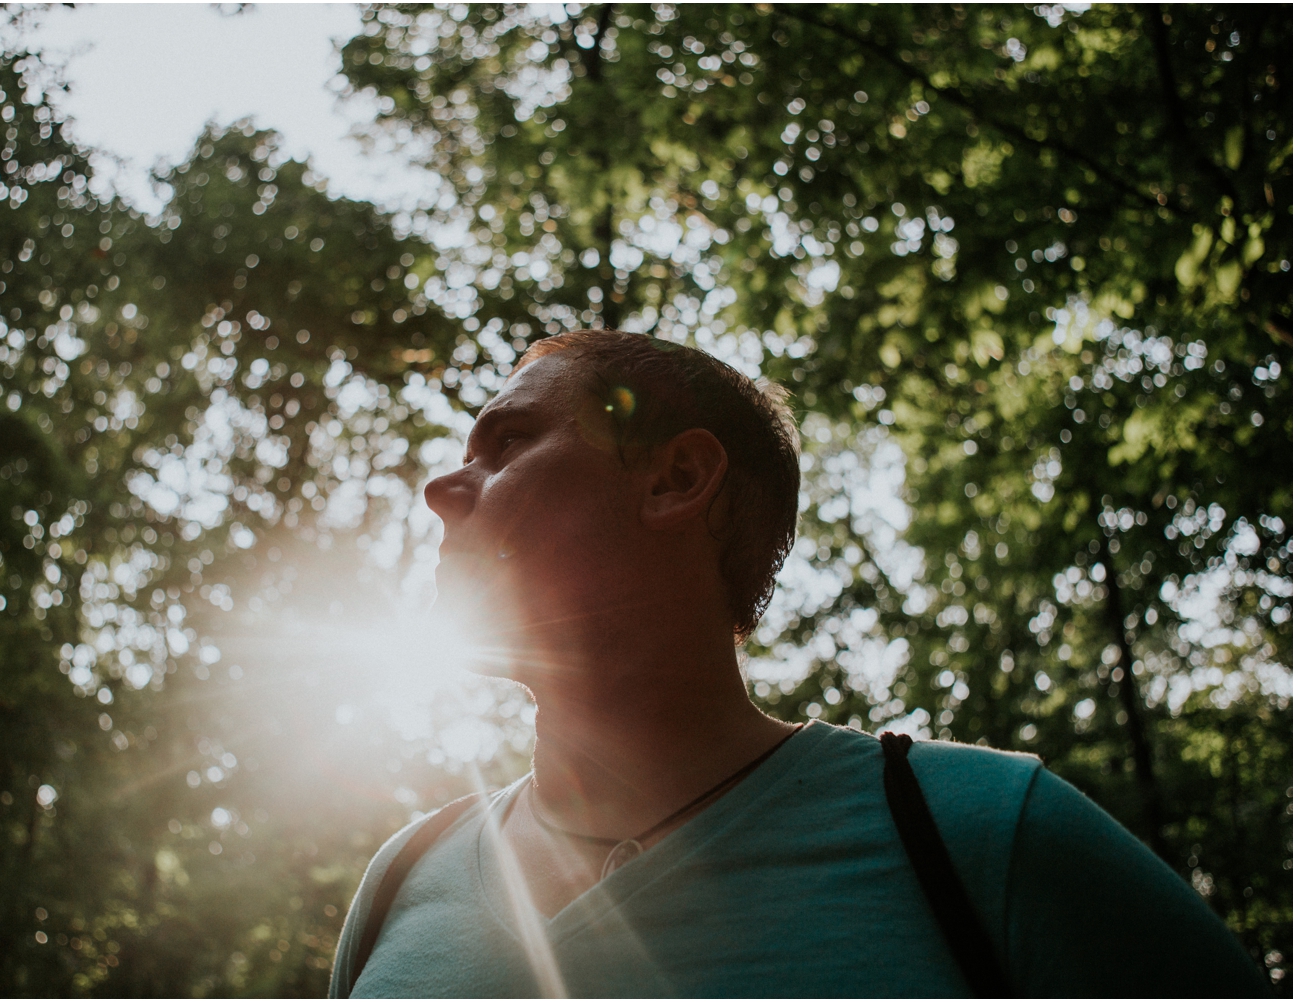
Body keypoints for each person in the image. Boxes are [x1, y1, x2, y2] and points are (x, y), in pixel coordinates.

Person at [329, 329, 1267, 998]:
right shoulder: (404, 881)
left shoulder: (981, 837)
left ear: (677, 478)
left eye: (509, 442)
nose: (442, 487)